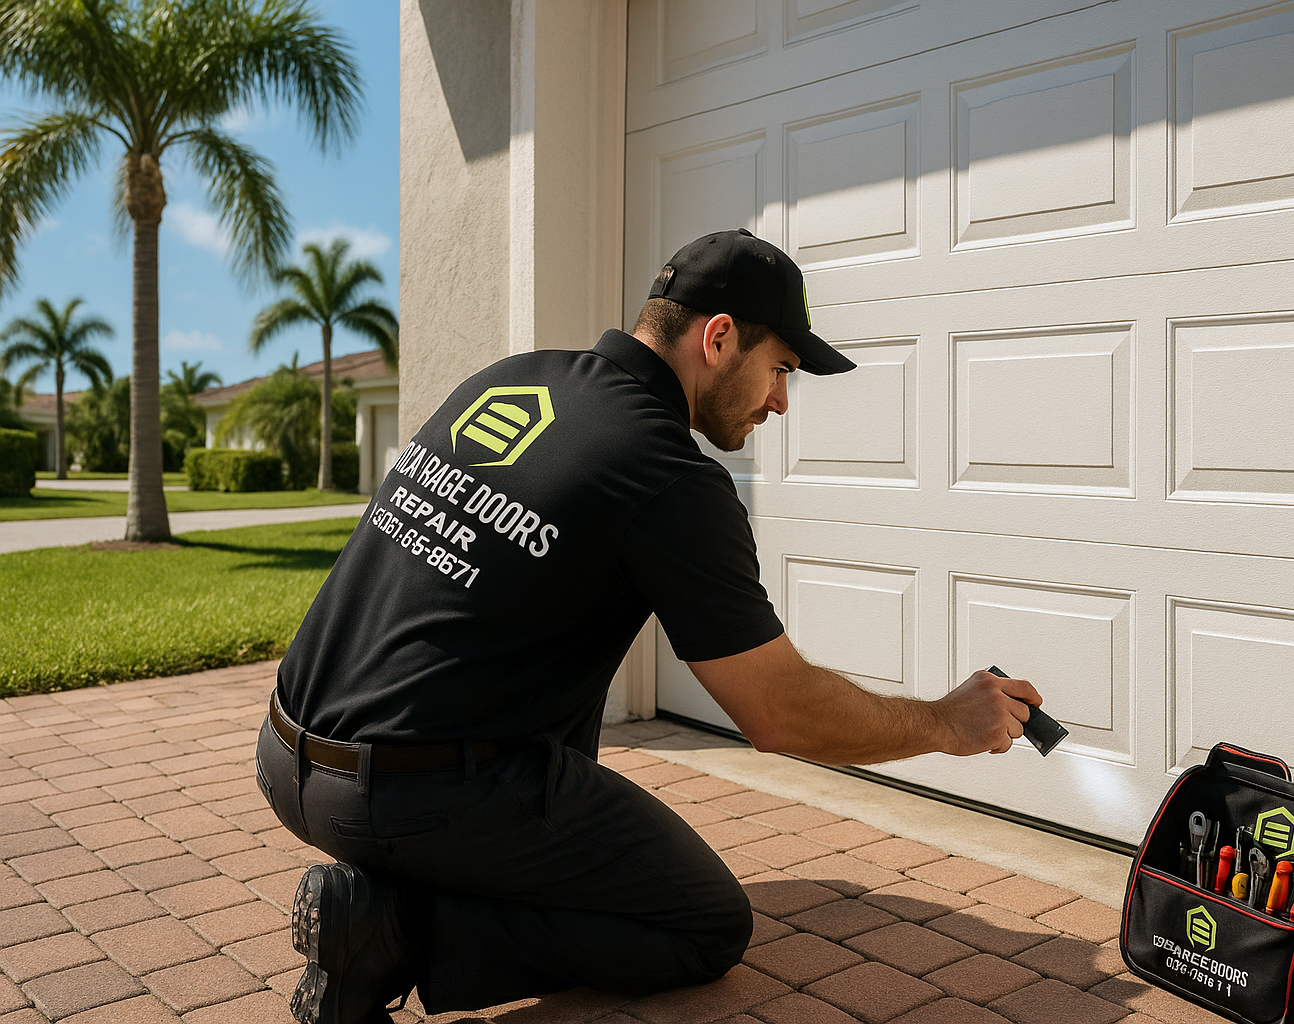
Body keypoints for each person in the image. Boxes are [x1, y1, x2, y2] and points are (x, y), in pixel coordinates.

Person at [256, 228, 1045, 1024]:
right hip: (401, 794)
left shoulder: (513, 379)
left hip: (286, 754)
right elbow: (776, 712)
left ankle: (412, 881)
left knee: (556, 670)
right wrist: (945, 723)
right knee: (701, 925)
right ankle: (387, 928)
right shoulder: (666, 473)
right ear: (720, 336)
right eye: (780, 370)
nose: (778, 400)